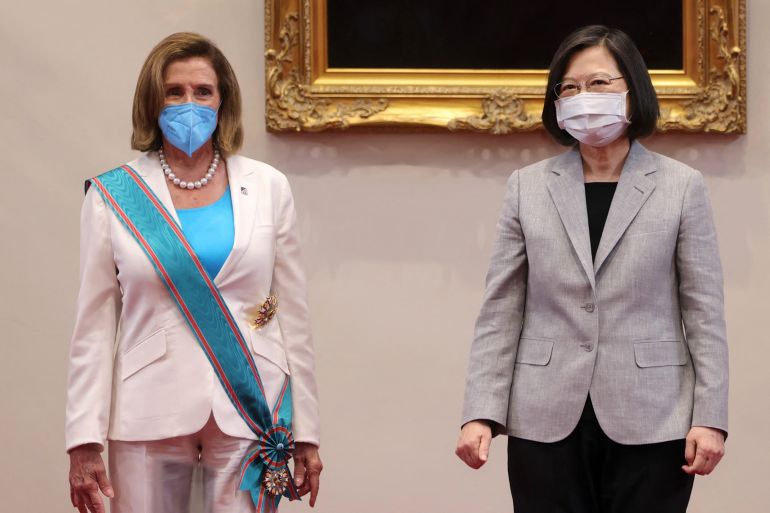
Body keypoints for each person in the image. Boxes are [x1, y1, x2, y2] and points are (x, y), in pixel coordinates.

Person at [456, 25, 728, 513]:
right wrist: (480, 412)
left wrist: (710, 418)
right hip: (545, 416)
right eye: (569, 87)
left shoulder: (682, 186)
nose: (583, 96)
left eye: (599, 83)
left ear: (632, 89)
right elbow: (500, 311)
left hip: (654, 416)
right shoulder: (527, 187)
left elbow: (704, 312)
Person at [66, 32, 322, 513]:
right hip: (147, 409)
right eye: (174, 92)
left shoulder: (269, 187)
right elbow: (93, 327)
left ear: (223, 101)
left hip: (250, 405)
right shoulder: (112, 195)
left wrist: (307, 430)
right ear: (152, 102)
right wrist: (83, 438)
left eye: (203, 91)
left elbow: (289, 312)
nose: (190, 104)